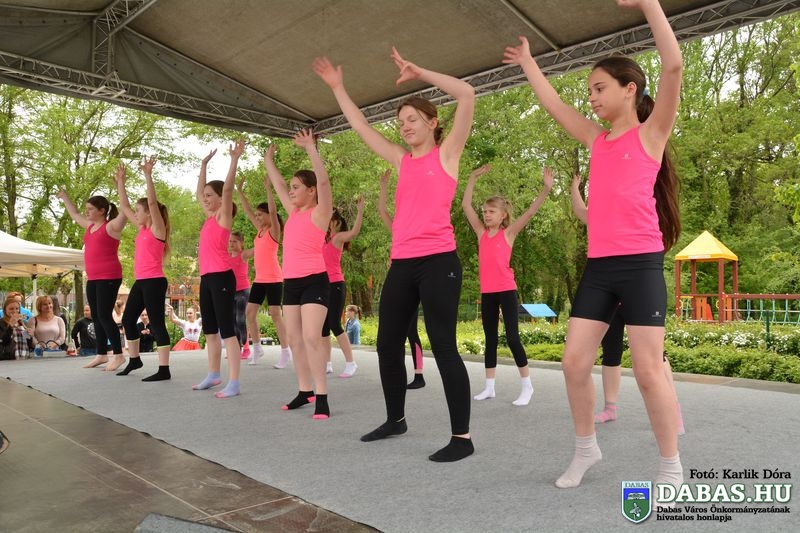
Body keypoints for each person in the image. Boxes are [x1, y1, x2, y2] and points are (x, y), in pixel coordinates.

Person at [504, 0, 683, 491]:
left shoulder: (651, 134)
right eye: (589, 91)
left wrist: (649, 4)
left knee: (648, 371)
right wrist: (529, 64)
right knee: (573, 363)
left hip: (641, 265)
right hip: (600, 267)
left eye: (600, 88)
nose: (592, 98)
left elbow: (672, 65)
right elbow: (554, 106)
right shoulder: (596, 141)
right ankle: (586, 449)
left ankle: (670, 467)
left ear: (630, 89)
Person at [314, 47, 476, 461]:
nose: (404, 127)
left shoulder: (447, 155)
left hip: (439, 262)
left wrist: (420, 71)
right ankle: (395, 419)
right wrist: (338, 88)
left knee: (443, 345)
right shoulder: (401, 160)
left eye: (412, 119)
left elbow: (467, 94)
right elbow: (360, 126)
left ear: (432, 122)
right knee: (387, 344)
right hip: (402, 264)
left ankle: (462, 438)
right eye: (400, 121)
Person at [570, 174, 685, 434]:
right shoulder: (603, 218)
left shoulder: (644, 215)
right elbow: (580, 211)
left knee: (654, 360)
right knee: (610, 352)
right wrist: (574, 188)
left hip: (637, 290)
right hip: (609, 294)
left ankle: (673, 410)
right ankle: (610, 407)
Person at [462, 164, 553, 407]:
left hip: (506, 290)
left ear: (503, 215)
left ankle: (527, 386)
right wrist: (472, 177)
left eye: (491, 211)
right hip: (488, 293)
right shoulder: (481, 233)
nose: (486, 215)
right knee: (490, 339)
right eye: (484, 211)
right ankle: (489, 387)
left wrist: (546, 189)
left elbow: (530, 213)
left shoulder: (508, 234)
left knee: (512, 338)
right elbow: (466, 206)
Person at [264, 130, 333, 419]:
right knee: (293, 339)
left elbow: (324, 182)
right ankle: (305, 390)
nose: (291, 191)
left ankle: (322, 395)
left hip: (315, 281)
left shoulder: (320, 212)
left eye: (296, 187)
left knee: (311, 337)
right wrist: (268, 160)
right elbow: (278, 183)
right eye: (290, 187)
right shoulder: (293, 212)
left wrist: (310, 149)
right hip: (291, 283)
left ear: (311, 190)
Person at [192, 140, 246, 398]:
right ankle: (214, 374)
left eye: (209, 195)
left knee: (227, 331)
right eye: (205, 196)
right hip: (206, 278)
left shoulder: (224, 217)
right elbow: (197, 193)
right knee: (210, 330)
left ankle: (234, 382)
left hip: (223, 277)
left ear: (220, 199)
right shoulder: (208, 219)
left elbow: (227, 190)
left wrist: (234, 159)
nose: (204, 198)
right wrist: (203, 165)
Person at [114, 158, 173, 381]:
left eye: (139, 210)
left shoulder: (158, 229)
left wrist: (148, 175)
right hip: (141, 281)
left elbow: (153, 203)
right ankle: (135, 359)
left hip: (155, 281)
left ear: (149, 212)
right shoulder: (142, 229)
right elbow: (124, 206)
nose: (135, 213)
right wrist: (121, 181)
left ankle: (164, 369)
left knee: (157, 324)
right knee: (128, 320)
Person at [57, 188, 127, 370]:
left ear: (102, 211)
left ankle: (119, 355)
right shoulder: (89, 226)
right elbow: (74, 213)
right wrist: (65, 197)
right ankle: (101, 354)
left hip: (109, 276)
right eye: (86, 208)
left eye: (90, 209)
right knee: (96, 317)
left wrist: (121, 184)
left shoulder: (111, 227)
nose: (86, 212)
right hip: (93, 277)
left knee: (104, 315)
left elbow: (125, 211)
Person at [235, 176, 292, 367]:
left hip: (274, 278)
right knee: (250, 313)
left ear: (268, 215)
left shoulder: (274, 231)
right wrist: (240, 191)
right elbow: (247, 211)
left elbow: (274, 211)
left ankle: (285, 351)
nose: (258, 218)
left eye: (261, 215)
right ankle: (257, 348)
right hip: (259, 279)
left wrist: (268, 188)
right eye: (257, 215)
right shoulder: (259, 231)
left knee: (275, 313)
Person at [378, 169, 425, 390]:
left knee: (411, 330)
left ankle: (419, 374)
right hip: (399, 280)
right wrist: (383, 187)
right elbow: (381, 210)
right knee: (396, 333)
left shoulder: (419, 227)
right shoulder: (397, 229)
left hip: (414, 281)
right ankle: (402, 374)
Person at [322, 197, 365, 378]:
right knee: (323, 327)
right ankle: (327, 364)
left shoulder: (337, 238)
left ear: (335, 222)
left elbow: (354, 232)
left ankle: (351, 363)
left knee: (334, 323)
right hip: (323, 286)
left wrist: (360, 211)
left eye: (328, 219)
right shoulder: (323, 239)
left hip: (336, 285)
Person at [228, 231, 252, 361]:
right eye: (230, 241)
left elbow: (257, 249)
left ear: (241, 243)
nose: (232, 244)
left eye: (235, 241)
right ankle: (237, 349)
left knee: (240, 319)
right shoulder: (226, 256)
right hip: (231, 292)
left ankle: (246, 348)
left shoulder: (243, 255)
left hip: (243, 291)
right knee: (233, 321)